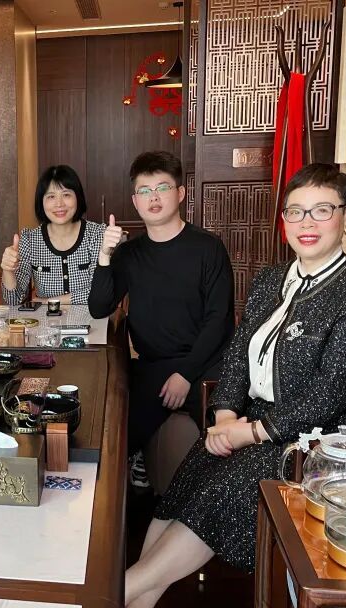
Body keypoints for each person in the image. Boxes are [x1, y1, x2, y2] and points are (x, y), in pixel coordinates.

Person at [121, 164, 346, 608]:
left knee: (224, 487)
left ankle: (115, 592)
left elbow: (331, 391)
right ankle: (137, 607)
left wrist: (251, 431)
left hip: (323, 444)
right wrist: (225, 413)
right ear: (283, 220)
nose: (307, 223)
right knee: (192, 474)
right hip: (255, 422)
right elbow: (238, 351)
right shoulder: (272, 280)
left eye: (322, 210)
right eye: (296, 212)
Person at [89, 151, 234, 488]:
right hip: (153, 365)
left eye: (162, 188)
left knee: (221, 447)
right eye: (144, 191)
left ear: (180, 193)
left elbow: (220, 320)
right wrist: (104, 255)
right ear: (135, 201)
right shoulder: (130, 253)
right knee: (111, 440)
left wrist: (185, 374)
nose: (153, 198)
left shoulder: (208, 247)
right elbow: (99, 307)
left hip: (205, 363)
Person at [0, 165, 106, 306]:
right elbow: (13, 300)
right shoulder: (30, 239)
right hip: (46, 320)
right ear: (41, 201)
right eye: (51, 196)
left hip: (90, 318)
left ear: (78, 197)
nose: (59, 204)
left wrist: (47, 302)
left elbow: (99, 293)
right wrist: (8, 270)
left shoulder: (96, 235)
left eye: (66, 195)